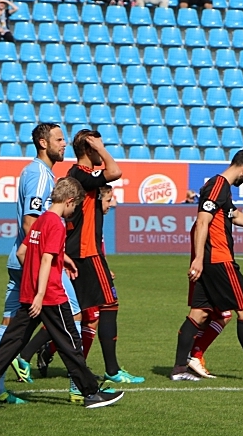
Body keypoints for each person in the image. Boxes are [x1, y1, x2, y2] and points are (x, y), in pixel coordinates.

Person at [0, 178, 124, 411]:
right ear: (69, 201)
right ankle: (90, 393)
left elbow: (22, 252)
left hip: (31, 294)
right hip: (49, 296)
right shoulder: (56, 223)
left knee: (12, 341)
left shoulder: (40, 221)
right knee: (70, 343)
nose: (74, 210)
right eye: (75, 206)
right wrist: (41, 292)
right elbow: (46, 258)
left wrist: (39, 278)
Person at [170, 149, 243, 382]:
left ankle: (179, 369)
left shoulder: (221, 188)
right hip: (218, 260)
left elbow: (235, 216)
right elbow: (202, 221)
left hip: (211, 260)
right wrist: (199, 259)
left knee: (200, 312)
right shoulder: (217, 185)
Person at [0, 124, 63, 404]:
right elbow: (31, 221)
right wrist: (47, 255)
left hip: (20, 258)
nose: (63, 144)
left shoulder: (38, 172)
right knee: (74, 317)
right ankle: (82, 388)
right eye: (59, 139)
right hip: (32, 261)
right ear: (43, 143)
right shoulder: (40, 175)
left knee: (9, 325)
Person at [66, 130, 144, 386]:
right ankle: (111, 369)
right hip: (87, 251)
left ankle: (28, 354)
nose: (101, 151)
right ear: (89, 149)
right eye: (97, 146)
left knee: (73, 312)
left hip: (82, 251)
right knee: (109, 305)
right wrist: (101, 147)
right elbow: (115, 172)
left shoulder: (78, 176)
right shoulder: (81, 174)